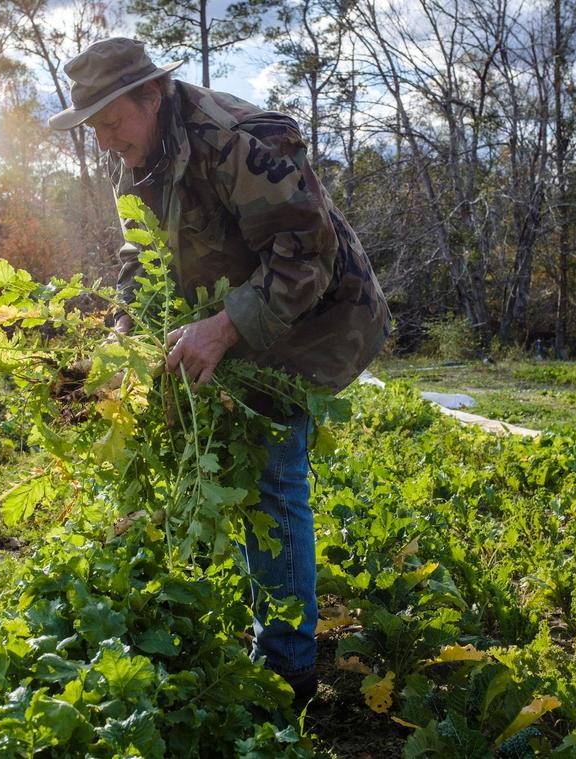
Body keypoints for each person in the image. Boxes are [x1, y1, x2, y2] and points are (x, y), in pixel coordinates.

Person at [49, 37, 391, 705]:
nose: (106, 140)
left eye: (113, 122)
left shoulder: (240, 140)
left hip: (320, 316)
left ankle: (287, 670)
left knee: (270, 463)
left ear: (152, 96)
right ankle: (246, 606)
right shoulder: (138, 160)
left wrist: (225, 327)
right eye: (95, 129)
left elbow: (306, 258)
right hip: (242, 309)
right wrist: (122, 342)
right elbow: (140, 261)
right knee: (214, 451)